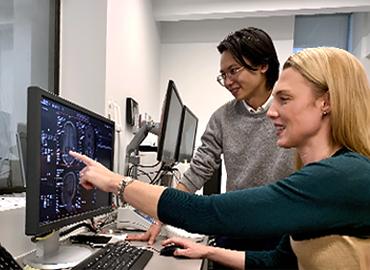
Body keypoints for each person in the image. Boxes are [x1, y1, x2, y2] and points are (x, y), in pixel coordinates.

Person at [70, 47, 370, 269]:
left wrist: (115, 182)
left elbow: (207, 213)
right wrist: (207, 252)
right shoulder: (331, 175)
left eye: (285, 99)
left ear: (326, 102)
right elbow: (279, 262)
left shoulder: (343, 177)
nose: (273, 112)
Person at [128, 27, 295, 248]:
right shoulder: (222, 118)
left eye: (233, 71)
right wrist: (160, 218)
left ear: (263, 65)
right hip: (237, 229)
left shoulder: (293, 111)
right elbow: (196, 173)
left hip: (284, 233)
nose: (227, 82)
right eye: (223, 75)